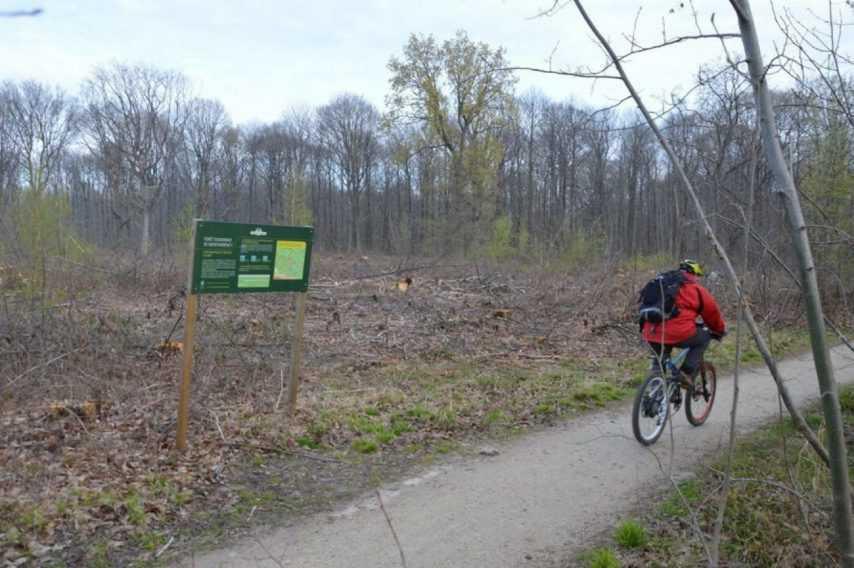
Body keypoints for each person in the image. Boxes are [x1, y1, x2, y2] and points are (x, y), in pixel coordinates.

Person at [642, 259, 726, 387]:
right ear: (693, 274)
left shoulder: (662, 282)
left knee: (659, 363)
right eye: (698, 276)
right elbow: (712, 313)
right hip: (677, 333)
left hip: (650, 331)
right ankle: (686, 373)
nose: (698, 279)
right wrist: (719, 330)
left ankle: (653, 397)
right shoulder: (696, 290)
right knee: (703, 338)